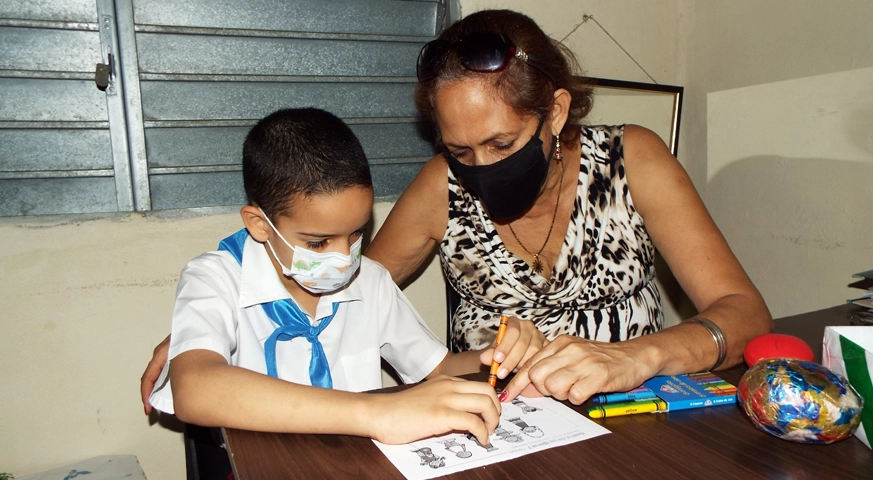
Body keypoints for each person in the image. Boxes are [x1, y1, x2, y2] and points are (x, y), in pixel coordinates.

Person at [143, 9, 772, 409]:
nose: (482, 166)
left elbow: (745, 315)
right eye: (460, 148)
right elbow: (342, 286)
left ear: (553, 112)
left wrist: (638, 356)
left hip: (643, 411)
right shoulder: (441, 187)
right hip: (499, 429)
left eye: (501, 143)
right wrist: (203, 332)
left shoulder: (632, 159)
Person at [147, 107, 515, 446]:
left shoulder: (369, 281)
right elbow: (195, 389)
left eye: (356, 234)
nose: (344, 258)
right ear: (260, 224)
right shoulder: (214, 279)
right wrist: (376, 414)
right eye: (319, 242)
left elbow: (440, 368)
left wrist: (500, 352)